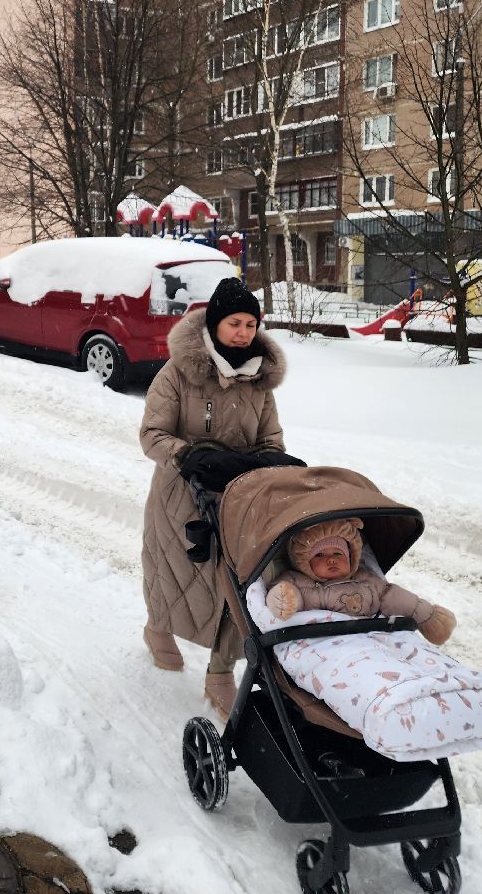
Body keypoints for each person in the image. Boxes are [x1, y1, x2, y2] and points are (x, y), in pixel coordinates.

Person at [140, 277, 287, 718]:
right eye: (234, 323)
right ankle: (157, 629)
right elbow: (151, 434)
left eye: (250, 324)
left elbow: (270, 437)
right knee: (173, 574)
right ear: (215, 323)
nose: (243, 333)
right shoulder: (178, 373)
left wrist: (270, 461)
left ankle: (220, 671)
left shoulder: (259, 379)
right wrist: (187, 455)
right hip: (182, 493)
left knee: (239, 582)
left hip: (240, 495)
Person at [265, 516, 456, 644]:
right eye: (320, 555)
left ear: (351, 557)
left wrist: (428, 616)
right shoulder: (297, 581)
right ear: (304, 561)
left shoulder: (365, 579)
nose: (331, 559)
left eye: (337, 553)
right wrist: (283, 600)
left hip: (370, 638)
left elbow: (393, 596)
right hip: (322, 643)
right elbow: (282, 593)